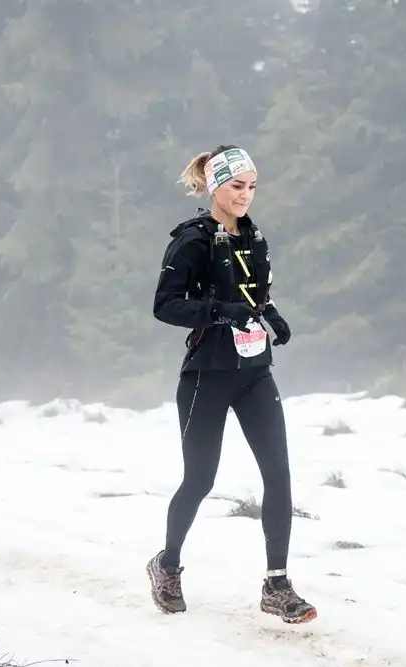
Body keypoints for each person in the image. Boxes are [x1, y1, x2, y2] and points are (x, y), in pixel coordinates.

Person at [145, 144, 317, 624]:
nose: (246, 195)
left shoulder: (254, 238)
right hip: (206, 375)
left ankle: (277, 584)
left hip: (254, 372)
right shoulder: (192, 241)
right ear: (215, 186)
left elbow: (254, 295)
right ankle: (168, 564)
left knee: (279, 474)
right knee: (200, 479)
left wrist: (271, 315)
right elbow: (165, 305)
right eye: (237, 186)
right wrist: (222, 314)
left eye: (252, 187)